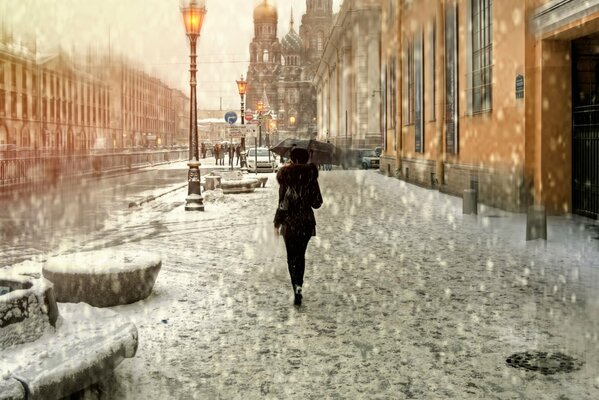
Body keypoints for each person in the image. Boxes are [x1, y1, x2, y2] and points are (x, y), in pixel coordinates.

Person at [273, 147, 323, 306]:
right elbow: (317, 203)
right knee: (300, 256)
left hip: (290, 222)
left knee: (291, 257)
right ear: (307, 159)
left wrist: (277, 222)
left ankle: (295, 288)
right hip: (306, 223)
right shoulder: (310, 176)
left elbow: (282, 203)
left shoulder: (286, 176)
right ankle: (299, 288)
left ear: (292, 159)